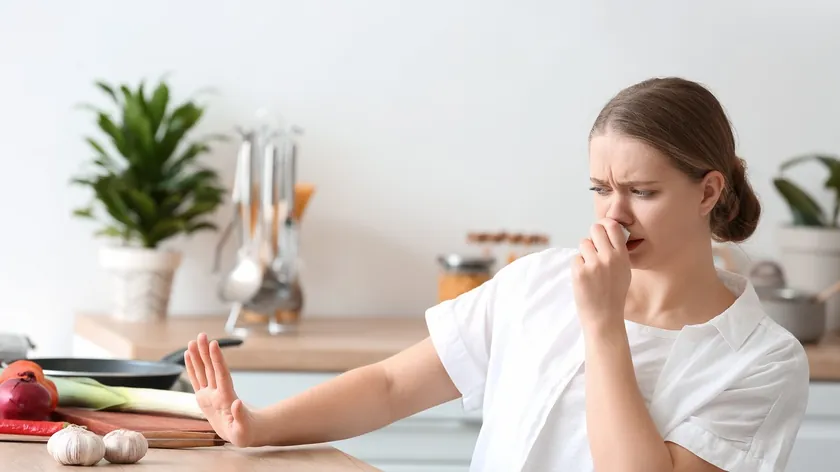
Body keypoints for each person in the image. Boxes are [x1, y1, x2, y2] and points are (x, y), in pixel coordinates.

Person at [184, 77, 810, 472]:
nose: (614, 213)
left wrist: (602, 326)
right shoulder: (537, 281)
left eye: (642, 191)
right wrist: (257, 425)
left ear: (708, 192)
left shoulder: (762, 362)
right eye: (600, 189)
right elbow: (390, 386)